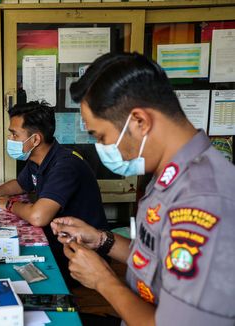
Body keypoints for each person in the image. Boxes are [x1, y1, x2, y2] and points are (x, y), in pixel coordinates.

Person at [51, 52, 235, 325]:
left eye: (101, 137)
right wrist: (101, 239)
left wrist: (103, 280)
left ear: (139, 121)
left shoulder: (201, 199)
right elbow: (159, 260)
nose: (102, 148)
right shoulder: (169, 175)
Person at [0, 101, 109, 289]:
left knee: (9, 270)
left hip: (80, 251)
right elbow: (21, 184)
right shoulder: (40, 158)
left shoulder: (65, 165)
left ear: (35, 139)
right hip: (58, 238)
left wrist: (10, 205)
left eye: (14, 134)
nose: (10, 138)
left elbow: (38, 217)